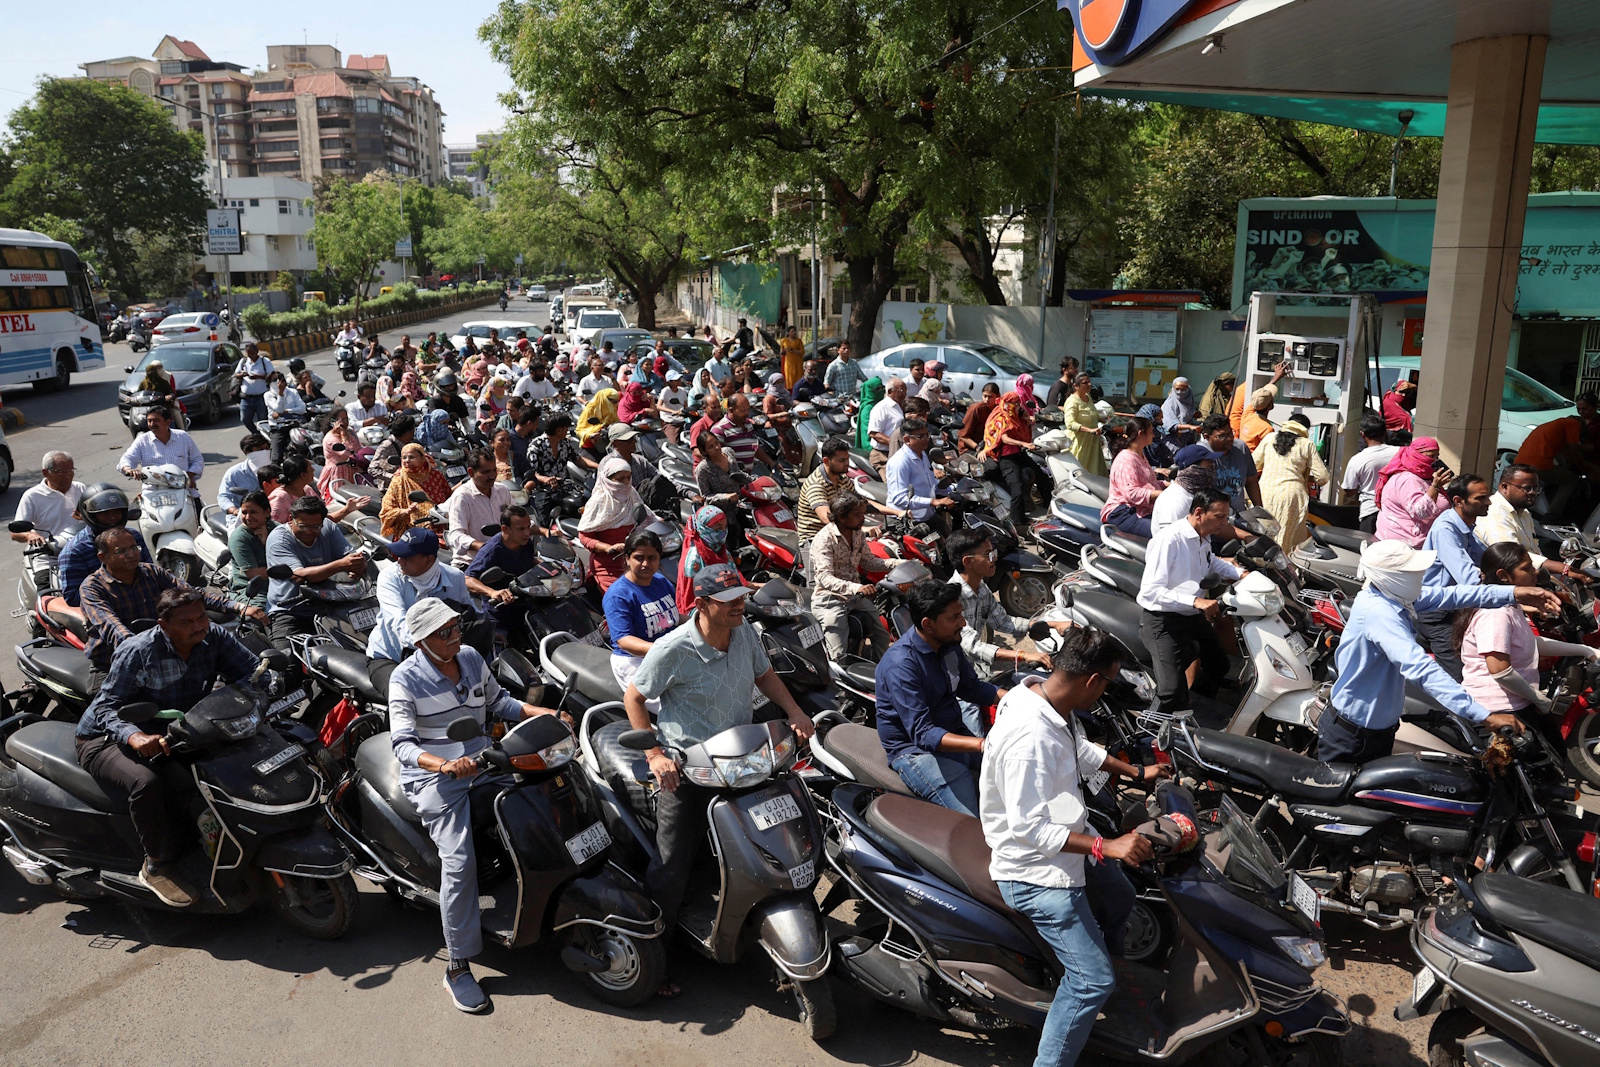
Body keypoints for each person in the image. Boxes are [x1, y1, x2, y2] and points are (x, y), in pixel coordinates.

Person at [624, 562, 813, 993]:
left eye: (742, 599)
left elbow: (764, 675)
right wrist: (655, 754)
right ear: (703, 603)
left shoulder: (744, 632)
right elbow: (634, 697)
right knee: (672, 863)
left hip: (743, 761)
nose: (739, 608)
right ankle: (657, 957)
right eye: (729, 602)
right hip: (689, 769)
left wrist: (795, 711)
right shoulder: (673, 648)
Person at [980, 627, 1164, 1067]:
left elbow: (1078, 749)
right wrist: (1107, 846)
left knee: (1121, 896)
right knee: (1091, 981)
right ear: (1091, 682)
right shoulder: (1031, 738)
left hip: (1066, 848)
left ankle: (1108, 989)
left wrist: (1138, 772)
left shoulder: (1042, 698)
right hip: (1034, 872)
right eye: (1109, 682)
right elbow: (1031, 830)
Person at [387, 596, 565, 1012]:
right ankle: (457, 965)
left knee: (546, 799)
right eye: (443, 632)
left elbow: (499, 701)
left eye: (455, 627)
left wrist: (543, 713)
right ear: (422, 641)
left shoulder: (468, 657)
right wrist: (444, 764)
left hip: (484, 759)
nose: (454, 637)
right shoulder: (405, 679)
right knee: (460, 863)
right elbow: (403, 745)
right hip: (436, 778)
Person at [73, 588, 260, 906]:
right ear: (164, 624)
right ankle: (157, 865)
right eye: (187, 621)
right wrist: (133, 736)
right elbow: (106, 708)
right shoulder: (138, 651)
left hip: (178, 731)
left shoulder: (212, 636)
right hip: (105, 737)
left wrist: (267, 685)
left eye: (201, 616)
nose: (199, 625)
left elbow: (251, 672)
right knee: (147, 782)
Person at [1316, 539, 1558, 763]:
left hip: (1376, 731)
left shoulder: (1396, 596)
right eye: (1413, 572)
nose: (1421, 576)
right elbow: (1422, 669)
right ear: (1392, 577)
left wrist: (1513, 592)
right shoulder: (1380, 613)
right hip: (1354, 736)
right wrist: (1484, 715)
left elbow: (1452, 595)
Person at [876, 580, 999, 817]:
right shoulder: (901, 666)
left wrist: (1016, 698)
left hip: (953, 732)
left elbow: (972, 688)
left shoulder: (948, 645)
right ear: (928, 624)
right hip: (916, 752)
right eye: (954, 618)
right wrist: (983, 744)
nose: (963, 623)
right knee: (971, 827)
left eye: (961, 615)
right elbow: (923, 734)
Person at [79, 527, 257, 676]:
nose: (131, 554)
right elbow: (112, 626)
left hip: (164, 651)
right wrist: (137, 648)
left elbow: (190, 593)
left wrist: (237, 606)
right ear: (103, 557)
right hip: (114, 662)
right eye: (121, 551)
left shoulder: (151, 572)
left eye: (134, 548)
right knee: (111, 710)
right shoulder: (92, 588)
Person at [1456, 542, 1600, 723]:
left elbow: (1528, 642)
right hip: (1499, 711)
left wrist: (1584, 650)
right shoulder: (1495, 614)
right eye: (1526, 568)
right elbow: (1500, 671)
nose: (1535, 571)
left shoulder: (1509, 604)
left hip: (1518, 703)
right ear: (1504, 576)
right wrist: (1539, 699)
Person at [1136, 489, 1242, 712]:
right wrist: (1195, 601)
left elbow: (1211, 562)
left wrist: (1241, 574)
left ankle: (1197, 707)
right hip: (1162, 621)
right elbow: (1149, 592)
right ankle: (1151, 733)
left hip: (1191, 617)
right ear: (1199, 512)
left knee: (1219, 665)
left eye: (1226, 516)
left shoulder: (1203, 537)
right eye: (1220, 517)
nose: (1224, 523)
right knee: (1170, 691)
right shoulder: (1169, 540)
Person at [949, 528, 1067, 675]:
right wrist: (1024, 655)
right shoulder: (951, 599)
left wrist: (1053, 624)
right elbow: (971, 646)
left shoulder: (981, 588)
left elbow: (1003, 622)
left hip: (978, 669)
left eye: (994, 552)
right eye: (988, 555)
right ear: (968, 562)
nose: (995, 558)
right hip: (956, 675)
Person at [1417, 474, 1494, 679]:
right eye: (1481, 498)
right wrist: (1514, 594)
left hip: (1457, 609)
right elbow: (1468, 577)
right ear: (1459, 501)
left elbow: (1488, 558)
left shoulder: (1466, 527)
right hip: (1438, 614)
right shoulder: (1446, 529)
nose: (1488, 502)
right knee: (1462, 678)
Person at [264, 496, 366, 645]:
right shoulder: (279, 539)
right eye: (303, 526)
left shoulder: (329, 527)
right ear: (291, 519)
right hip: (290, 609)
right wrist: (341, 565)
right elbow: (300, 576)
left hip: (331, 603)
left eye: (315, 527)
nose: (309, 532)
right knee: (288, 663)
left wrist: (359, 565)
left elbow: (350, 556)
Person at [367, 528, 473, 663]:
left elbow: (469, 612)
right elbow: (398, 623)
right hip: (391, 657)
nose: (400, 561)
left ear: (428, 560)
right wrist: (436, 645)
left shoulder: (455, 577)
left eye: (406, 557)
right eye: (399, 555)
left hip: (441, 657)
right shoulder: (389, 577)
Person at [810, 491, 892, 660]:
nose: (862, 519)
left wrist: (898, 564)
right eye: (857, 515)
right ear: (841, 517)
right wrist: (857, 587)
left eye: (863, 514)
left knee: (883, 635)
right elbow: (825, 578)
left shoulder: (858, 534)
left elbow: (869, 562)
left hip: (857, 597)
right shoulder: (824, 539)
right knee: (839, 654)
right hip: (830, 600)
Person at [1473, 463, 1589, 581]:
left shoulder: (1524, 513)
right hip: (1508, 585)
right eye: (1527, 488)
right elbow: (1511, 557)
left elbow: (1535, 552)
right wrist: (1565, 569)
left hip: (1529, 576)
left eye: (1535, 488)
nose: (1533, 493)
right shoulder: (1495, 514)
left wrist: (1557, 578)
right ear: (1504, 487)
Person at [603, 528, 679, 695]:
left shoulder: (661, 581)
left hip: (668, 655)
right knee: (680, 704)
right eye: (639, 558)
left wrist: (702, 620)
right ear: (627, 559)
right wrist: (662, 649)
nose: (646, 564)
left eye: (652, 558)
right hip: (635, 661)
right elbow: (624, 640)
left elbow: (674, 617)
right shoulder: (618, 595)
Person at [59, 486, 152, 606]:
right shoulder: (75, 551)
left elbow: (151, 572)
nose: (112, 517)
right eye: (105, 513)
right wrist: (117, 593)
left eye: (116, 512)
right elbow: (73, 597)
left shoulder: (133, 536)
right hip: (102, 611)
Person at [1252, 414, 1328, 553]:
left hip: (1265, 492)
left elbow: (1253, 464)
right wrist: (1305, 477)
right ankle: (1285, 569)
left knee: (1264, 532)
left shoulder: (1269, 438)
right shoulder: (1306, 444)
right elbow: (1322, 477)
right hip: (1292, 495)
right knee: (1288, 536)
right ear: (1305, 429)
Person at [1513, 399, 1600, 519]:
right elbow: (1574, 452)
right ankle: (1553, 515)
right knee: (1571, 480)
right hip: (1539, 465)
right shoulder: (1573, 423)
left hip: (1521, 462)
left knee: (1558, 474)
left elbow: (1564, 455)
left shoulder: (1555, 426)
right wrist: (1589, 469)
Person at [577, 455, 646, 593]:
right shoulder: (599, 501)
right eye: (620, 479)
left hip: (634, 562)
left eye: (628, 477)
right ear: (608, 480)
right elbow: (584, 537)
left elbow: (646, 517)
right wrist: (608, 548)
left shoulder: (632, 495)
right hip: (608, 566)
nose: (626, 482)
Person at [1374, 436, 1452, 547]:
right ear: (1417, 455)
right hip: (1403, 547)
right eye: (1430, 456)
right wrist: (1435, 486)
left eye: (1437, 456)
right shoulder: (1408, 479)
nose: (1434, 461)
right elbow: (1420, 512)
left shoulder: (1423, 477)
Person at [442, 449, 513, 569]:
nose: (492, 476)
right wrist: (483, 546)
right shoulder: (462, 496)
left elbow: (517, 520)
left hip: (501, 558)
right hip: (471, 562)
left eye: (494, 470)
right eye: (486, 472)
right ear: (471, 472)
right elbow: (456, 535)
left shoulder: (502, 491)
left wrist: (546, 532)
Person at [887, 417, 955, 536]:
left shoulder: (922, 454)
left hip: (926, 514)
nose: (926, 439)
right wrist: (933, 501)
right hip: (908, 520)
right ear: (907, 439)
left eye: (927, 435)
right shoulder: (900, 462)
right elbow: (899, 499)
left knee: (950, 541)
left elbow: (930, 484)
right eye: (921, 437)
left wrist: (952, 489)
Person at [1101, 417, 1166, 537]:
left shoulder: (1140, 454)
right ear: (1141, 433)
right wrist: (1161, 493)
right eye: (1151, 431)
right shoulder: (1126, 459)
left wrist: (1167, 485)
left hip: (1140, 508)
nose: (1154, 434)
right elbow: (1131, 493)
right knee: (1164, 536)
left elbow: (1148, 483)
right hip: (1124, 512)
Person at [983, 389, 1038, 527]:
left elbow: (1025, 436)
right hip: (1007, 458)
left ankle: (1025, 516)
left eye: (1018, 403)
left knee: (1039, 475)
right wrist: (1022, 443)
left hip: (1018, 454)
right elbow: (1005, 438)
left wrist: (1026, 421)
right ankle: (1016, 523)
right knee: (1017, 491)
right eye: (1014, 403)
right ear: (1007, 403)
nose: (1018, 406)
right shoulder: (1001, 417)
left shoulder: (1016, 417)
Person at [118, 406, 203, 493]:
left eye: (156, 421)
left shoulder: (183, 437)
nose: (152, 424)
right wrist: (129, 469)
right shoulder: (142, 440)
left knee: (197, 505)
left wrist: (188, 477)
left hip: (182, 488)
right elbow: (127, 458)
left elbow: (197, 460)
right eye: (149, 421)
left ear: (168, 422)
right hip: (152, 490)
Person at [1341, 414, 1400, 534]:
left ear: (1363, 434)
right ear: (1384, 433)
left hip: (1370, 512)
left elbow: (1349, 491)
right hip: (1395, 510)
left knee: (1368, 548)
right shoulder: (1400, 452)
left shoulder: (1357, 460)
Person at [14, 451, 84, 544]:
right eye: (60, 472)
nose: (67, 476)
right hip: (48, 553)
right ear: (45, 472)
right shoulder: (32, 496)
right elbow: (15, 533)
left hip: (81, 548)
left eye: (70, 471)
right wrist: (29, 535)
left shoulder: (80, 488)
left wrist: (86, 517)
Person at [676, 505, 734, 616]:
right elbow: (690, 602)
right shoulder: (694, 560)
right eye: (717, 528)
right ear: (703, 528)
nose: (723, 532)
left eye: (725, 527)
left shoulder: (721, 550)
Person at [228, 491, 274, 608]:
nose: (248, 517)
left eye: (253, 512)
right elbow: (254, 574)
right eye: (244, 513)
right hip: (252, 591)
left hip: (279, 585)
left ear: (267, 512)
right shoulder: (239, 537)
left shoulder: (276, 529)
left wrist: (267, 542)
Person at [711, 393, 775, 470]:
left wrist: (771, 463)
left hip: (748, 476)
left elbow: (753, 447)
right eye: (743, 411)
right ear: (731, 410)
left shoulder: (748, 424)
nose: (747, 413)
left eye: (748, 409)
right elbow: (715, 458)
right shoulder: (719, 429)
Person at [1061, 372, 1104, 477]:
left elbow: (1092, 413)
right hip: (1080, 443)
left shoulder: (1087, 396)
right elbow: (1070, 423)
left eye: (1089, 382)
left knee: (1096, 473)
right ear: (1076, 386)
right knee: (1081, 474)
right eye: (1085, 383)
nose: (1089, 385)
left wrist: (1103, 419)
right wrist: (1089, 430)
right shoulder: (1072, 402)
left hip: (1093, 442)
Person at [262, 372, 306, 464]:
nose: (278, 381)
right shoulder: (268, 395)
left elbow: (302, 408)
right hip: (279, 427)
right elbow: (278, 409)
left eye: (281, 379)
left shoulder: (292, 392)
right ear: (269, 382)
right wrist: (280, 393)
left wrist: (287, 411)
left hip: (296, 423)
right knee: (276, 457)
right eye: (275, 380)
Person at [866, 377, 907, 475]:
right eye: (901, 391)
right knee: (893, 484)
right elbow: (874, 433)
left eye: (905, 391)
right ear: (890, 391)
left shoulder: (900, 406)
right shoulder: (881, 408)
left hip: (899, 453)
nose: (904, 394)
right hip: (882, 455)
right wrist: (895, 443)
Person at [234, 342, 273, 434]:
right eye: (248, 353)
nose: (250, 355)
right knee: (245, 419)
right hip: (246, 397)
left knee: (263, 420)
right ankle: (256, 434)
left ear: (257, 352)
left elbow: (272, 376)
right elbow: (236, 374)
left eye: (252, 353)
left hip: (261, 397)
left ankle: (265, 437)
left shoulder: (265, 361)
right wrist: (243, 374)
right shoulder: (243, 361)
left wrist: (258, 376)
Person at [958, 382, 1001, 452]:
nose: (986, 400)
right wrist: (977, 447)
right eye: (985, 396)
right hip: (970, 448)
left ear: (997, 396)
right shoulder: (975, 409)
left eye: (990, 397)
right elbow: (962, 436)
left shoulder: (999, 409)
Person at [576, 387, 620, 452]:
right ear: (605, 400)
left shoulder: (612, 410)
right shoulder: (590, 409)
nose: (615, 404)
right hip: (591, 447)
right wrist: (590, 434)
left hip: (610, 444)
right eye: (614, 402)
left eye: (616, 402)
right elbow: (579, 430)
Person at [1160, 376, 1199, 448]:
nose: (1180, 392)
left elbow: (1186, 417)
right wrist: (1190, 426)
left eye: (1183, 389)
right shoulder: (1169, 404)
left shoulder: (1189, 401)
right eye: (1177, 389)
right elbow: (1171, 425)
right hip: (1174, 441)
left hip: (1188, 438)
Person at [1240, 385, 1278, 452]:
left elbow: (1256, 402)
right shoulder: (1267, 429)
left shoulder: (1247, 415)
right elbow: (1268, 451)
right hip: (1253, 461)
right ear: (1269, 405)